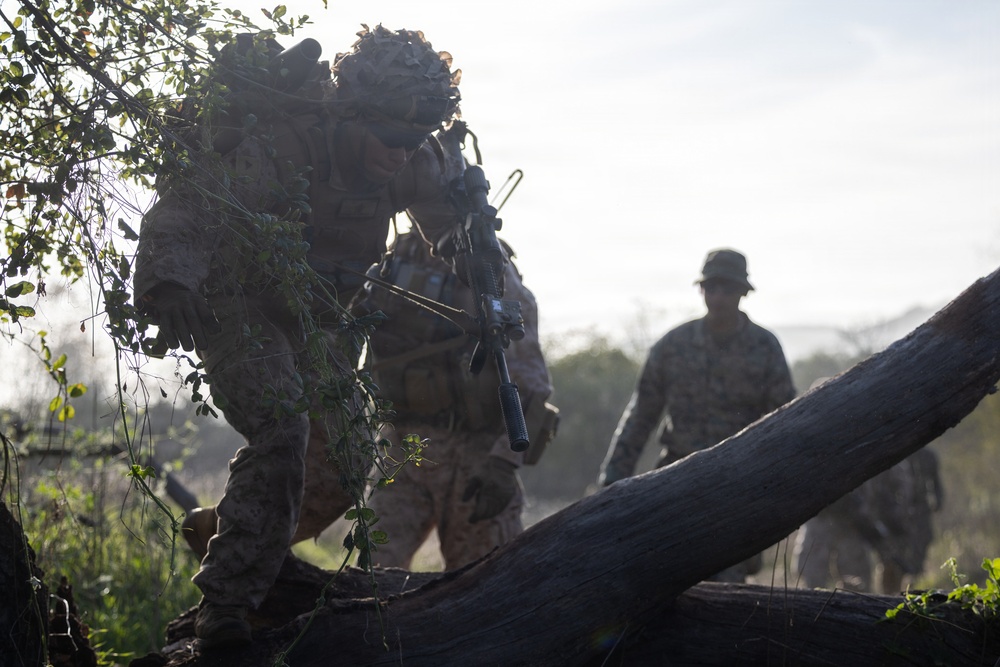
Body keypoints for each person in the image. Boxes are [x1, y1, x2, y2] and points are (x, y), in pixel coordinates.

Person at [135, 26, 468, 648]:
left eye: (413, 141)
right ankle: (227, 611)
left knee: (346, 464)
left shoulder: (411, 154)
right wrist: (168, 283)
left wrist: (471, 255)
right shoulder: (283, 148)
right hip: (241, 303)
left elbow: (450, 217)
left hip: (321, 317)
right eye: (390, 138)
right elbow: (188, 208)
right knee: (284, 427)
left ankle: (228, 534)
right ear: (353, 113)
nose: (400, 154)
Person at [356, 230, 558, 570]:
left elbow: (531, 380)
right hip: (403, 448)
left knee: (488, 579)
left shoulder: (490, 266)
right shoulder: (391, 257)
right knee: (371, 575)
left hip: (477, 456)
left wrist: (503, 463)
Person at [598, 248, 796, 582]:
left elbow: (785, 425)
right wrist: (611, 486)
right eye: (710, 288)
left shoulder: (765, 348)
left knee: (726, 592)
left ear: (743, 293)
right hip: (674, 483)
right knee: (660, 581)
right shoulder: (672, 346)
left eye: (727, 289)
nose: (717, 297)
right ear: (701, 290)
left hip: (736, 491)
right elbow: (640, 418)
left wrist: (777, 492)